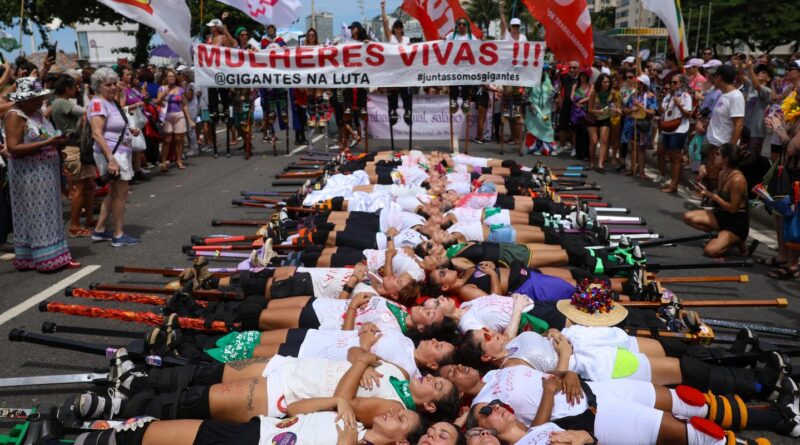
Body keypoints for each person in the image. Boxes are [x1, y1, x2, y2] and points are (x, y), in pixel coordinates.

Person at [3, 76, 78, 271]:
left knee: (49, 211)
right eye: (36, 97)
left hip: (45, 172)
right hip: (29, 174)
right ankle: (44, 258)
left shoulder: (37, 114)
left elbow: (45, 135)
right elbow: (13, 147)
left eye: (41, 96)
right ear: (23, 99)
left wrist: (58, 141)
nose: (40, 101)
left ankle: (50, 255)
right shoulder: (15, 115)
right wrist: (47, 144)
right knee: (36, 213)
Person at [88, 67, 140, 248]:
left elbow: (115, 126)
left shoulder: (111, 102)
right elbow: (97, 133)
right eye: (107, 85)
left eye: (113, 84)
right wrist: (111, 159)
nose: (112, 87)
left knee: (113, 192)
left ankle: (100, 230)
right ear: (98, 87)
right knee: (121, 194)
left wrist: (130, 130)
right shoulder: (98, 103)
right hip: (112, 154)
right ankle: (118, 234)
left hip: (120, 152)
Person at [683, 143, 750, 257]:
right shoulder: (722, 173)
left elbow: (733, 209)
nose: (715, 156)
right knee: (688, 217)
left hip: (736, 221)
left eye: (718, 154)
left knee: (710, 251)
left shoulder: (737, 179)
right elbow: (719, 199)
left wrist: (712, 196)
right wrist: (705, 193)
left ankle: (736, 241)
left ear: (726, 159)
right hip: (722, 215)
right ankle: (723, 237)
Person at [51, 74, 96, 238]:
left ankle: (89, 220)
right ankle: (75, 226)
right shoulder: (61, 102)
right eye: (74, 87)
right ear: (67, 88)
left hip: (79, 145)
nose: (76, 89)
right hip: (73, 146)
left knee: (90, 184)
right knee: (80, 187)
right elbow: (86, 112)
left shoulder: (60, 102)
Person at [699, 65, 745, 188]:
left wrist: (730, 149)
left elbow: (738, 124)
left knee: (716, 180)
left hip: (722, 145)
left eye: (713, 77)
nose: (711, 80)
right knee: (708, 176)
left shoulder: (736, 96)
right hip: (711, 143)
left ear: (719, 78)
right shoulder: (723, 94)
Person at [658, 74, 693, 193]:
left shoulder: (686, 96)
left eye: (675, 82)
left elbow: (688, 115)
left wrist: (679, 105)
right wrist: (660, 99)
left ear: (682, 84)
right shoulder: (668, 96)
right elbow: (662, 111)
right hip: (668, 128)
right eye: (671, 82)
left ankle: (674, 185)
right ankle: (672, 181)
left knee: (676, 158)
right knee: (670, 156)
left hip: (679, 129)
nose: (672, 84)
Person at [155, 69, 192, 171]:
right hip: (166, 116)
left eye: (173, 76)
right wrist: (164, 95)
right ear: (166, 78)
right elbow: (157, 103)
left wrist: (189, 119)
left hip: (179, 115)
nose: (172, 78)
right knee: (167, 140)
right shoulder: (162, 88)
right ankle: (163, 162)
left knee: (179, 139)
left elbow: (184, 105)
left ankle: (178, 160)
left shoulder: (180, 89)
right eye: (170, 76)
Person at [622, 74, 657, 179]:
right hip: (633, 124)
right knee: (633, 147)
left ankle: (641, 171)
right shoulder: (633, 96)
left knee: (641, 148)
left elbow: (652, 112)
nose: (636, 84)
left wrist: (641, 107)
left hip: (643, 125)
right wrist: (632, 110)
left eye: (639, 83)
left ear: (643, 84)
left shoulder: (651, 96)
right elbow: (625, 110)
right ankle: (632, 168)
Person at [586, 73, 620, 171]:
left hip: (605, 118)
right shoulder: (594, 93)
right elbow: (589, 109)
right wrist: (597, 111)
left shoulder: (612, 92)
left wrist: (614, 109)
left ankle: (600, 163)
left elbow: (612, 104)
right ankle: (592, 161)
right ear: (600, 83)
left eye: (608, 82)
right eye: (604, 82)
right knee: (594, 141)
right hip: (592, 118)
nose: (607, 84)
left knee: (604, 141)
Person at [570, 69, 593, 161]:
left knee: (586, 133)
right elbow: (571, 96)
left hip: (586, 111)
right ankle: (578, 152)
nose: (582, 78)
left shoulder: (591, 86)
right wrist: (575, 101)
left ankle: (586, 153)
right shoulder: (576, 85)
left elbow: (589, 96)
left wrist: (581, 101)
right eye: (581, 76)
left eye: (584, 76)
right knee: (577, 131)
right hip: (576, 111)